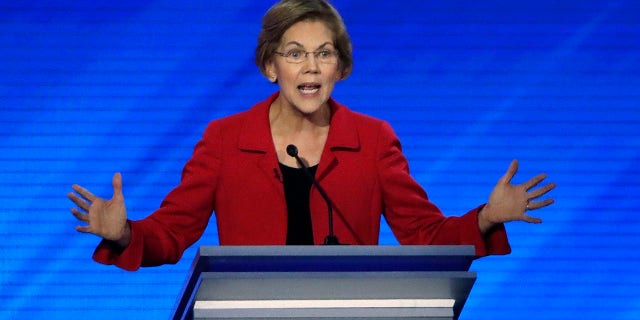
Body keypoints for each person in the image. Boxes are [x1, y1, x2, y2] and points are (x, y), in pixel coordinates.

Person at [67, 0, 555, 271]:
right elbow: (172, 233)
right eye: (295, 53)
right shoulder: (223, 139)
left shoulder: (373, 139)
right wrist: (126, 233)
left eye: (324, 54)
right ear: (269, 66)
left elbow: (424, 234)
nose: (311, 66)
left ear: (340, 68)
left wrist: (487, 218)